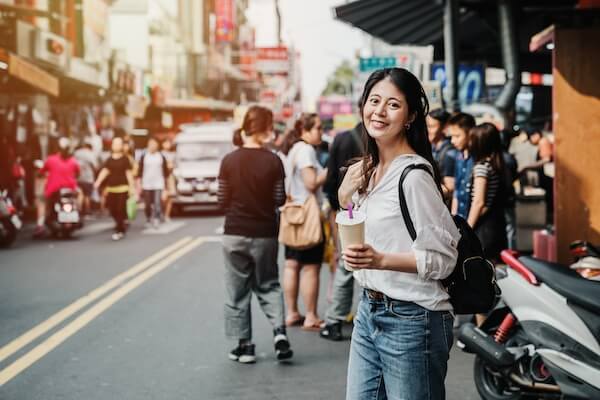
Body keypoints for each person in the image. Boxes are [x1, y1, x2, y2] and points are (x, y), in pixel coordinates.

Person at [337, 68, 459, 400]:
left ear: (410, 116)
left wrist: (380, 260)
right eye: (374, 101)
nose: (379, 111)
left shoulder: (414, 176)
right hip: (369, 311)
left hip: (413, 318)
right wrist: (345, 194)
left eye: (393, 104)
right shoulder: (369, 169)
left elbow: (444, 260)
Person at [218, 105, 292, 364]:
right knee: (269, 285)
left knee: (237, 290)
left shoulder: (228, 160)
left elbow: (221, 200)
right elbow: (279, 198)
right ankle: (279, 333)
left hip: (235, 232)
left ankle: (245, 345)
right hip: (265, 234)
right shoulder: (273, 160)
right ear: (265, 129)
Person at [280, 113, 328, 331]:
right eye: (318, 128)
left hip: (292, 214)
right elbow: (311, 183)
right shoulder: (306, 150)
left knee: (291, 265)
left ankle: (291, 313)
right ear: (305, 130)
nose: (321, 132)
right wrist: (329, 169)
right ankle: (310, 316)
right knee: (310, 268)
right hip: (308, 216)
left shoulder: (293, 150)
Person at [319, 123, 364, 341]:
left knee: (347, 263)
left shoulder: (342, 138)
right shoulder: (390, 137)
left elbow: (330, 177)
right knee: (369, 264)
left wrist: (334, 204)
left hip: (347, 211)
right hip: (375, 208)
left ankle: (335, 320)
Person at [467, 123, 508, 262]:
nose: (469, 142)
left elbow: (478, 202)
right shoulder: (497, 165)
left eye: (472, 139)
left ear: (480, 143)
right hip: (496, 227)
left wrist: (467, 230)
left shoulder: (481, 168)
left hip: (483, 230)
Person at [34, 137, 80, 237]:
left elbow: (41, 172)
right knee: (79, 196)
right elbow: (78, 173)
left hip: (53, 189)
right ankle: (80, 212)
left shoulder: (51, 160)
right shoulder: (73, 161)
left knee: (43, 203)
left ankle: (40, 225)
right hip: (71, 189)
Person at [94, 137, 135, 241]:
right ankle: (120, 224)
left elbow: (129, 173)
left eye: (118, 144)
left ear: (121, 146)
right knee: (112, 210)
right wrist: (98, 181)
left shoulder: (125, 159)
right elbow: (105, 170)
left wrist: (132, 188)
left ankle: (120, 230)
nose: (116, 146)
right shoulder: (109, 159)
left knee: (120, 209)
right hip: (111, 188)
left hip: (123, 188)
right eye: (114, 144)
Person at [448, 112, 476, 219]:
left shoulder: (478, 158)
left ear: (470, 133)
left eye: (457, 136)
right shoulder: (458, 157)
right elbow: (457, 190)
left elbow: (478, 201)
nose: (452, 141)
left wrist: (469, 226)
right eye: (451, 136)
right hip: (461, 218)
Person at [427, 108, 457, 201]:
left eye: (431, 126)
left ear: (444, 128)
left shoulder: (449, 153)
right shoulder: (431, 148)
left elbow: (450, 188)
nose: (427, 130)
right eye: (426, 126)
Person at [138, 137, 168, 228]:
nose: (152, 146)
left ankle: (156, 218)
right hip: (147, 183)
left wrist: (166, 187)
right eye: (151, 144)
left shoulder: (161, 156)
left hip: (158, 183)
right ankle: (148, 217)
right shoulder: (144, 156)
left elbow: (166, 172)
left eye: (154, 144)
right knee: (147, 203)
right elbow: (140, 171)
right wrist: (139, 183)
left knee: (157, 202)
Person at [74, 141, 98, 216]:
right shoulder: (90, 154)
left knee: (80, 194)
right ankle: (87, 210)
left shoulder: (76, 153)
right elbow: (95, 166)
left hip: (77, 177)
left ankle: (79, 210)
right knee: (87, 195)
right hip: (88, 178)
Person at [161, 138, 176, 221]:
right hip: (162, 177)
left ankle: (167, 215)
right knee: (163, 197)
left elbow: (174, 166)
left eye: (168, 143)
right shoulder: (160, 154)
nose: (167, 144)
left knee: (170, 197)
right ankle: (161, 213)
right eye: (165, 142)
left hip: (170, 177)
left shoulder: (173, 154)